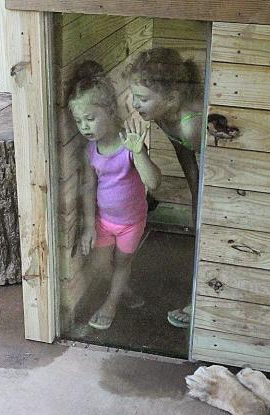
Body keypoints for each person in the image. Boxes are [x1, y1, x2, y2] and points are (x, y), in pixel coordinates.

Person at [69, 61, 162, 331]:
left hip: (132, 221)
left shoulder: (128, 144)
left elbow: (154, 183)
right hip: (104, 221)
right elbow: (88, 186)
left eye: (90, 118)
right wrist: (88, 226)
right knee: (100, 265)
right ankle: (121, 291)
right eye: (78, 121)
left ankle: (111, 303)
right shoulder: (91, 149)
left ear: (110, 112)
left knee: (122, 262)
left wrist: (139, 152)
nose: (84, 127)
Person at [127, 48, 204, 329]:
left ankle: (202, 303)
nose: (136, 104)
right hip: (203, 174)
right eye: (134, 95)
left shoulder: (191, 125)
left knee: (209, 237)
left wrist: (207, 202)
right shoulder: (161, 112)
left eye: (143, 98)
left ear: (171, 98)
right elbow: (184, 153)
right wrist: (196, 194)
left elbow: (214, 165)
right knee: (199, 229)